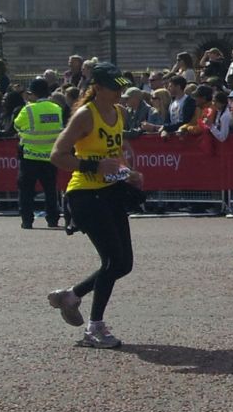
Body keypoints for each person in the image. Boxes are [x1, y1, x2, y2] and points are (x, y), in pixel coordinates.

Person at [45, 63, 143, 348]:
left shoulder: (120, 112)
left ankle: (71, 296)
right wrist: (94, 165)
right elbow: (57, 155)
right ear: (97, 88)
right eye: (115, 87)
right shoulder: (85, 115)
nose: (120, 91)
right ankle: (94, 328)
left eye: (122, 86)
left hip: (110, 192)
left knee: (124, 264)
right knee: (113, 261)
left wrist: (128, 174)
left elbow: (114, 155)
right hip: (85, 195)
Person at [14, 77, 64, 229]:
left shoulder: (28, 109)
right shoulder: (57, 108)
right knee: (50, 190)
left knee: (26, 191)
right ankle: (53, 219)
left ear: (34, 94)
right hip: (50, 156)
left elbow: (17, 125)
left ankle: (27, 220)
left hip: (30, 156)